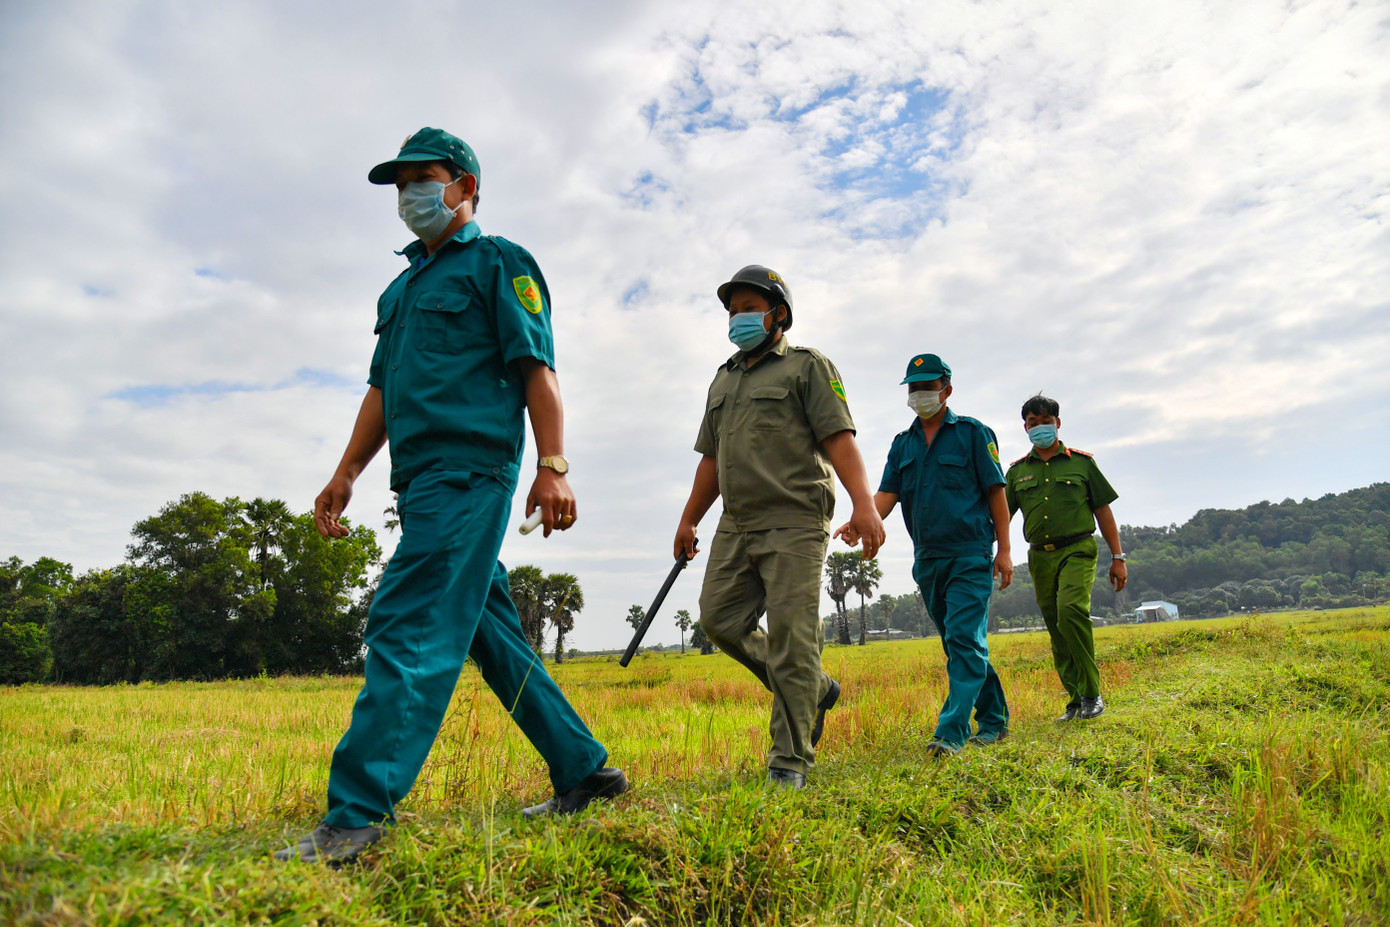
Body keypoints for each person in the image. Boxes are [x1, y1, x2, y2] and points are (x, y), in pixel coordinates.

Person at [276, 128, 625, 865]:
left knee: (407, 620)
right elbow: (382, 391)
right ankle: (585, 771)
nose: (410, 195)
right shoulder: (400, 290)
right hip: (419, 483)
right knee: (486, 630)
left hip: (471, 471)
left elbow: (537, 369)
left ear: (465, 187)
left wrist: (553, 464)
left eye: (424, 179)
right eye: (400, 185)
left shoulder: (498, 262)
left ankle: (356, 816)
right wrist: (346, 472)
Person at [673, 265, 885, 790]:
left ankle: (789, 760)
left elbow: (839, 438)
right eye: (732, 311)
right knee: (718, 618)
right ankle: (813, 687)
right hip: (736, 523)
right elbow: (710, 460)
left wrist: (865, 504)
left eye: (749, 309)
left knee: (793, 637)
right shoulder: (723, 378)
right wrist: (689, 518)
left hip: (795, 519)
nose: (737, 319)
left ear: (779, 314)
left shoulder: (807, 367)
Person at [840, 354, 1012, 756]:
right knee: (959, 643)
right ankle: (994, 719)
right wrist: (860, 521)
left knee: (964, 638)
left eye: (927, 387)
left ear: (946, 390)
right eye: (913, 388)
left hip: (969, 553)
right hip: (929, 559)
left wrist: (1004, 550)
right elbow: (886, 495)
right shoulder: (903, 444)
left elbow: (996, 493)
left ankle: (951, 733)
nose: (919, 394)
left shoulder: (973, 434)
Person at [1004, 394, 1127, 721]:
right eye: (1033, 423)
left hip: (1078, 549)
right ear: (1025, 428)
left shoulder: (1082, 464)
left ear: (1057, 423)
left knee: (1070, 610)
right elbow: (1002, 516)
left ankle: (1092, 693)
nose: (1040, 427)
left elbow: (1103, 510)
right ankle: (1075, 700)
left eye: (1046, 421)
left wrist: (1118, 557)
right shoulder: (1016, 472)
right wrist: (998, 552)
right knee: (1056, 626)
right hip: (1040, 558)